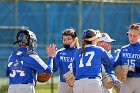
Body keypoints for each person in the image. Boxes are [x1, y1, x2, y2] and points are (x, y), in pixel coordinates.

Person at [72, 29, 116, 93]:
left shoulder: (77, 51)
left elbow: (74, 71)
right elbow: (112, 63)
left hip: (78, 84)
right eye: (97, 38)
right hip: (93, 83)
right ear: (94, 40)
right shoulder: (99, 49)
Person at [46, 28, 79, 93]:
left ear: (74, 39)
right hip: (64, 84)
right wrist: (52, 57)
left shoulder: (80, 51)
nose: (66, 41)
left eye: (69, 39)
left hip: (78, 83)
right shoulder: (59, 52)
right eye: (64, 39)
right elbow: (54, 69)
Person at [114, 23, 140, 93]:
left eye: (135, 36)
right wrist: (119, 69)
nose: (131, 38)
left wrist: (133, 68)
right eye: (130, 35)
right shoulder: (123, 49)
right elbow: (116, 64)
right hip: (126, 81)